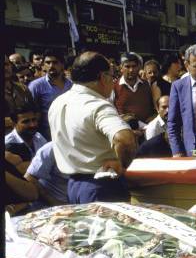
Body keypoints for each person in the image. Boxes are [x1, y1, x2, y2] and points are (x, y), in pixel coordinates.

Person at [48, 51, 137, 204]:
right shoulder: (98, 106)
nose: (113, 81)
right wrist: (122, 166)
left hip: (73, 187)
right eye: (112, 76)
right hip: (103, 187)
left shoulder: (57, 102)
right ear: (103, 77)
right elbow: (125, 139)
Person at [28, 49, 73, 140]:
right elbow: (30, 111)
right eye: (48, 63)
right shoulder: (36, 86)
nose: (51, 66)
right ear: (43, 65)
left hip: (70, 132)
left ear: (62, 65)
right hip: (47, 135)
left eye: (55, 62)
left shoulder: (72, 85)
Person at [113, 52, 157, 125]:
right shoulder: (113, 87)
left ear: (139, 67)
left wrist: (152, 118)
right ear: (121, 68)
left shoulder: (147, 85)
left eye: (134, 66)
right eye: (127, 66)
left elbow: (155, 108)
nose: (131, 70)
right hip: (126, 131)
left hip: (148, 129)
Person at [25, 141, 69, 206]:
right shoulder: (50, 149)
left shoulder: (84, 146)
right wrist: (52, 201)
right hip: (53, 205)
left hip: (76, 201)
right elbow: (29, 178)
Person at [5, 55, 35, 134]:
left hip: (26, 136)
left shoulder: (22, 88)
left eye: (6, 64)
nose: (5, 68)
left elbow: (35, 112)